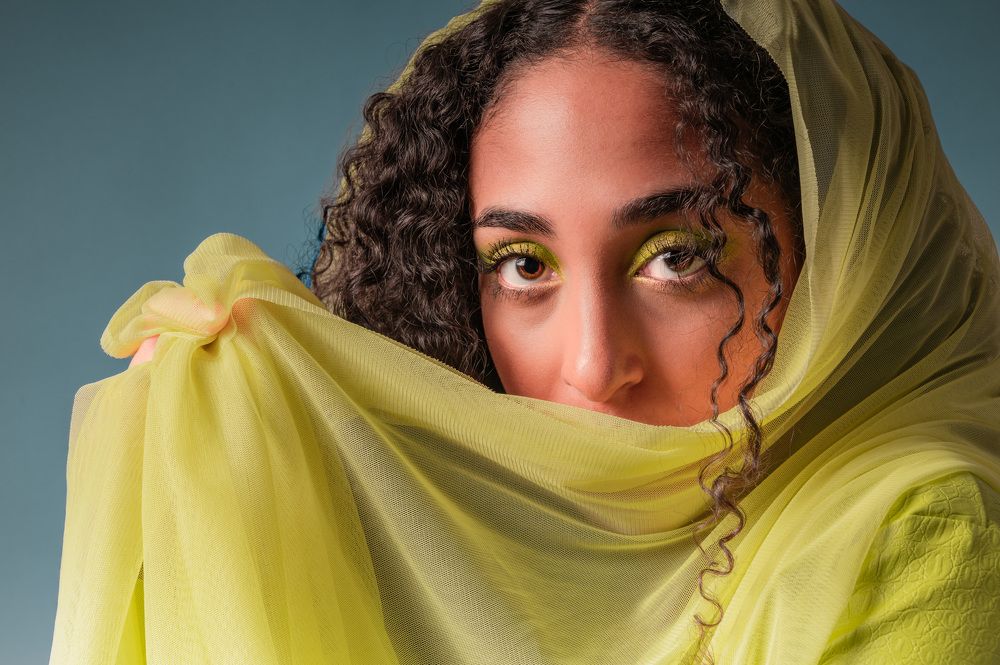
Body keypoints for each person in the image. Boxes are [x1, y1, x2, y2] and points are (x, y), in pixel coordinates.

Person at [51, 1, 1000, 664]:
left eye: (678, 256)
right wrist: (222, 453)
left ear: (843, 250)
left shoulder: (923, 531)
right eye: (524, 266)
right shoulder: (507, 553)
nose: (593, 365)